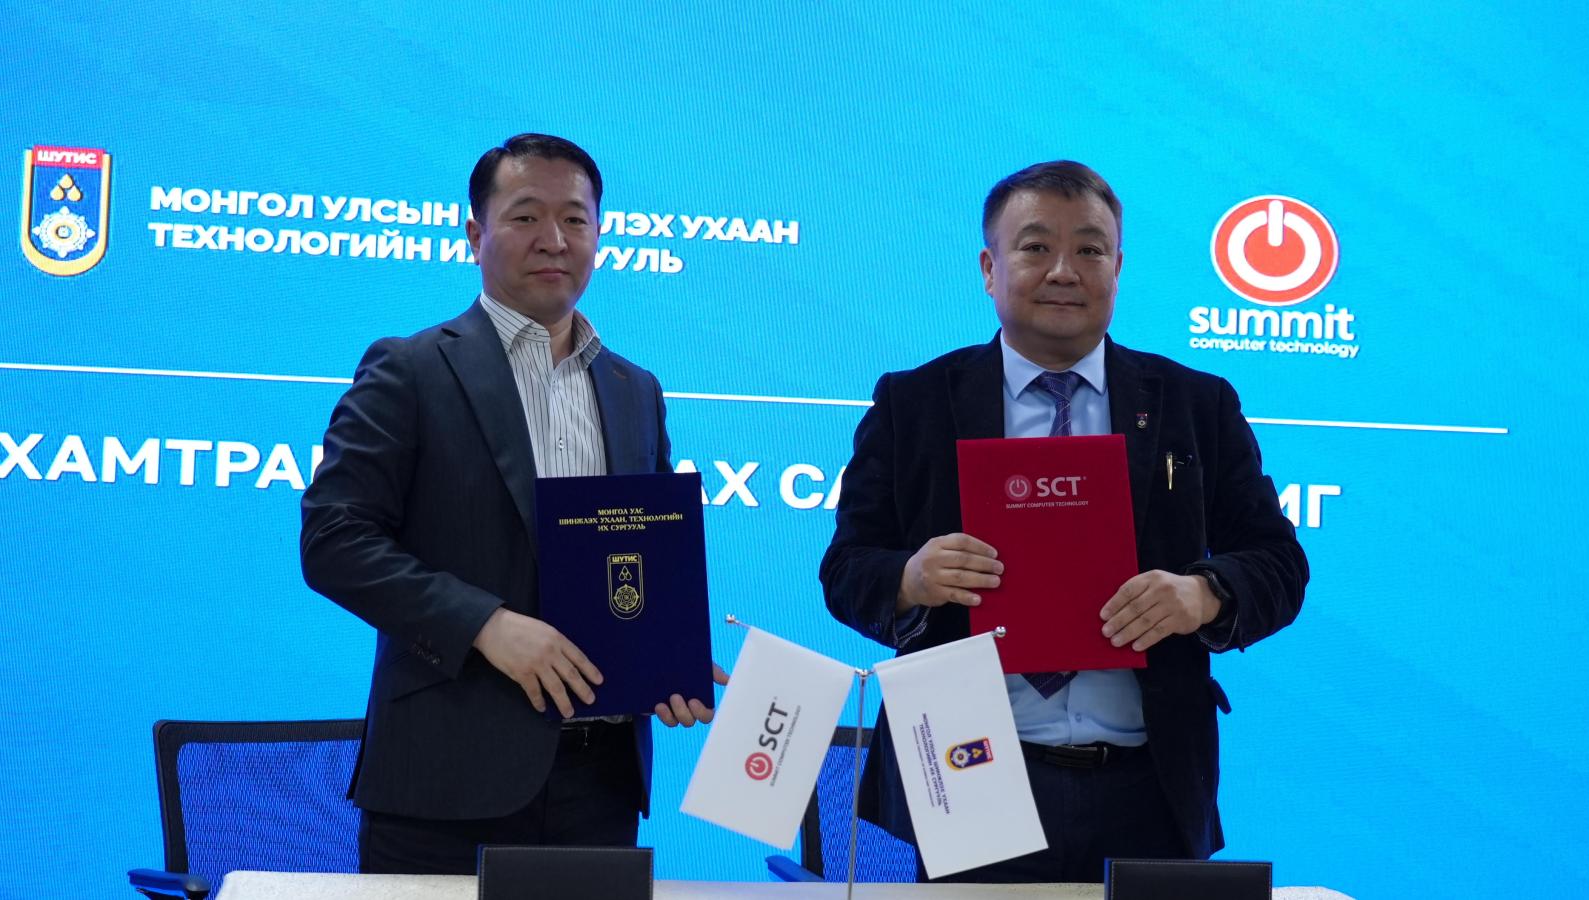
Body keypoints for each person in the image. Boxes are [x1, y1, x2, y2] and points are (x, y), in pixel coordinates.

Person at [820, 160, 1308, 883]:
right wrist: (910, 578)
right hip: (965, 772)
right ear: (990, 268)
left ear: (1118, 267)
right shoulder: (914, 402)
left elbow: (1278, 564)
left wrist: (1204, 593)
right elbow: (846, 569)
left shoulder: (1194, 403)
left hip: (1150, 782)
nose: (1063, 271)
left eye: (1089, 249)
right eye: (1035, 247)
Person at [301, 133, 721, 875]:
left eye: (576, 219)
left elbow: (640, 554)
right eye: (526, 216)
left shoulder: (635, 389)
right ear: (475, 234)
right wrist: (486, 625)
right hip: (444, 784)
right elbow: (335, 540)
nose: (554, 239)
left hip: (601, 783)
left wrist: (667, 654)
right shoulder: (411, 369)